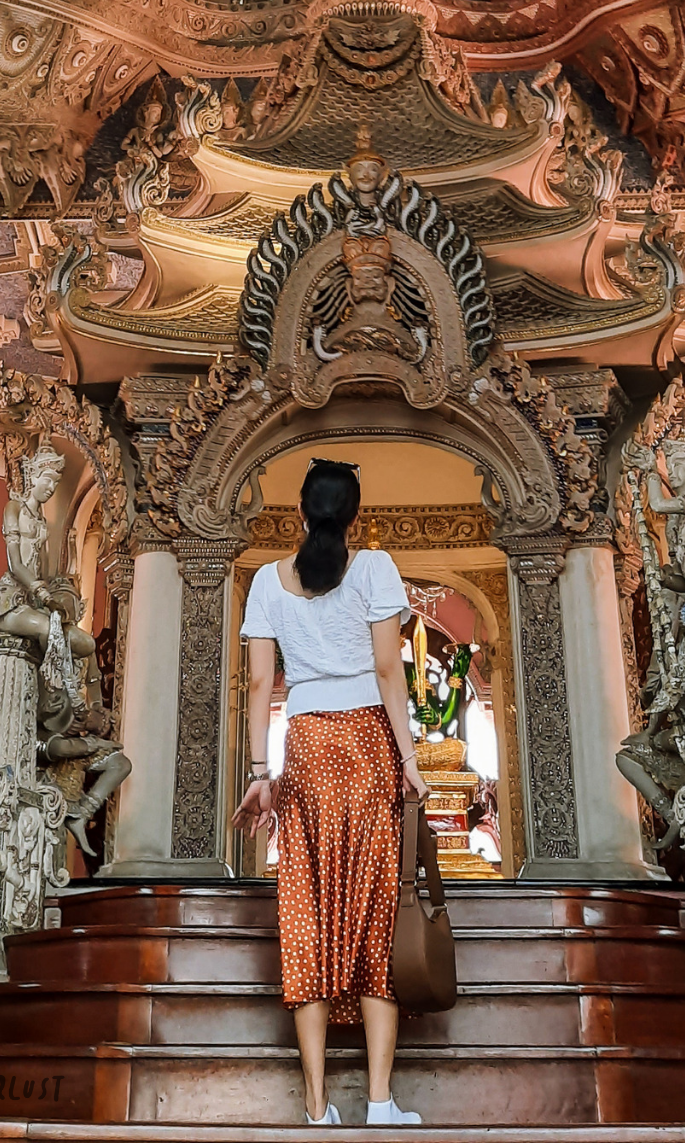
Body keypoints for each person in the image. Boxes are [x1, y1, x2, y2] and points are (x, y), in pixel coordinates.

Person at [233, 458, 429, 1127]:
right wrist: (408, 758)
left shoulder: (266, 580)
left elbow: (260, 687)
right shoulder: (374, 566)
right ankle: (378, 1102)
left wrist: (261, 775)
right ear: (352, 514)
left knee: (308, 910)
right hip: (368, 743)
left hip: (307, 746)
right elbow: (385, 667)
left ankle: (316, 1107)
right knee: (376, 910)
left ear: (300, 512)